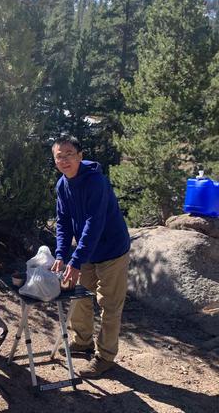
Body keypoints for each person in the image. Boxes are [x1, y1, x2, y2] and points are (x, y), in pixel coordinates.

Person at [50, 135, 131, 378]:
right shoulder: (62, 185)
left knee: (109, 304)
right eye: (59, 156)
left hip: (112, 250)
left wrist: (75, 260)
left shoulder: (96, 182)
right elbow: (63, 222)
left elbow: (93, 223)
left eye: (69, 154)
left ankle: (105, 357)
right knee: (79, 296)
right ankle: (82, 340)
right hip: (87, 251)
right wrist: (62, 254)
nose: (64, 160)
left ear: (80, 156)